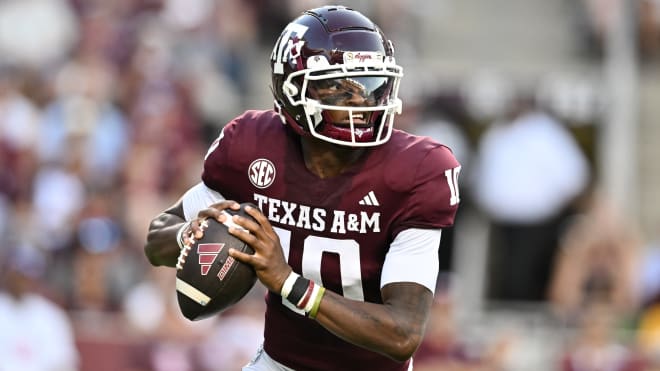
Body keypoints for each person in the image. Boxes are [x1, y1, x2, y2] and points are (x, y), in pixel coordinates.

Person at [144, 5, 461, 371]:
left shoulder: (415, 171)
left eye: (372, 85)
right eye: (341, 88)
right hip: (279, 363)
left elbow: (403, 334)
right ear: (292, 91)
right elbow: (156, 240)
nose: (363, 101)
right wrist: (193, 233)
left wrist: (287, 282)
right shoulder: (252, 147)